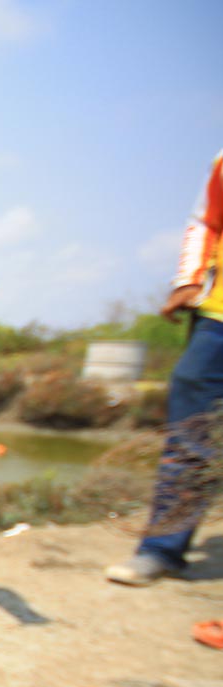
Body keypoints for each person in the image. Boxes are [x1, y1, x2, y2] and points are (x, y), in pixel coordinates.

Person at [106, 148, 223, 586]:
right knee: (192, 432)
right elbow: (206, 219)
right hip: (218, 316)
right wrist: (190, 279)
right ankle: (163, 549)